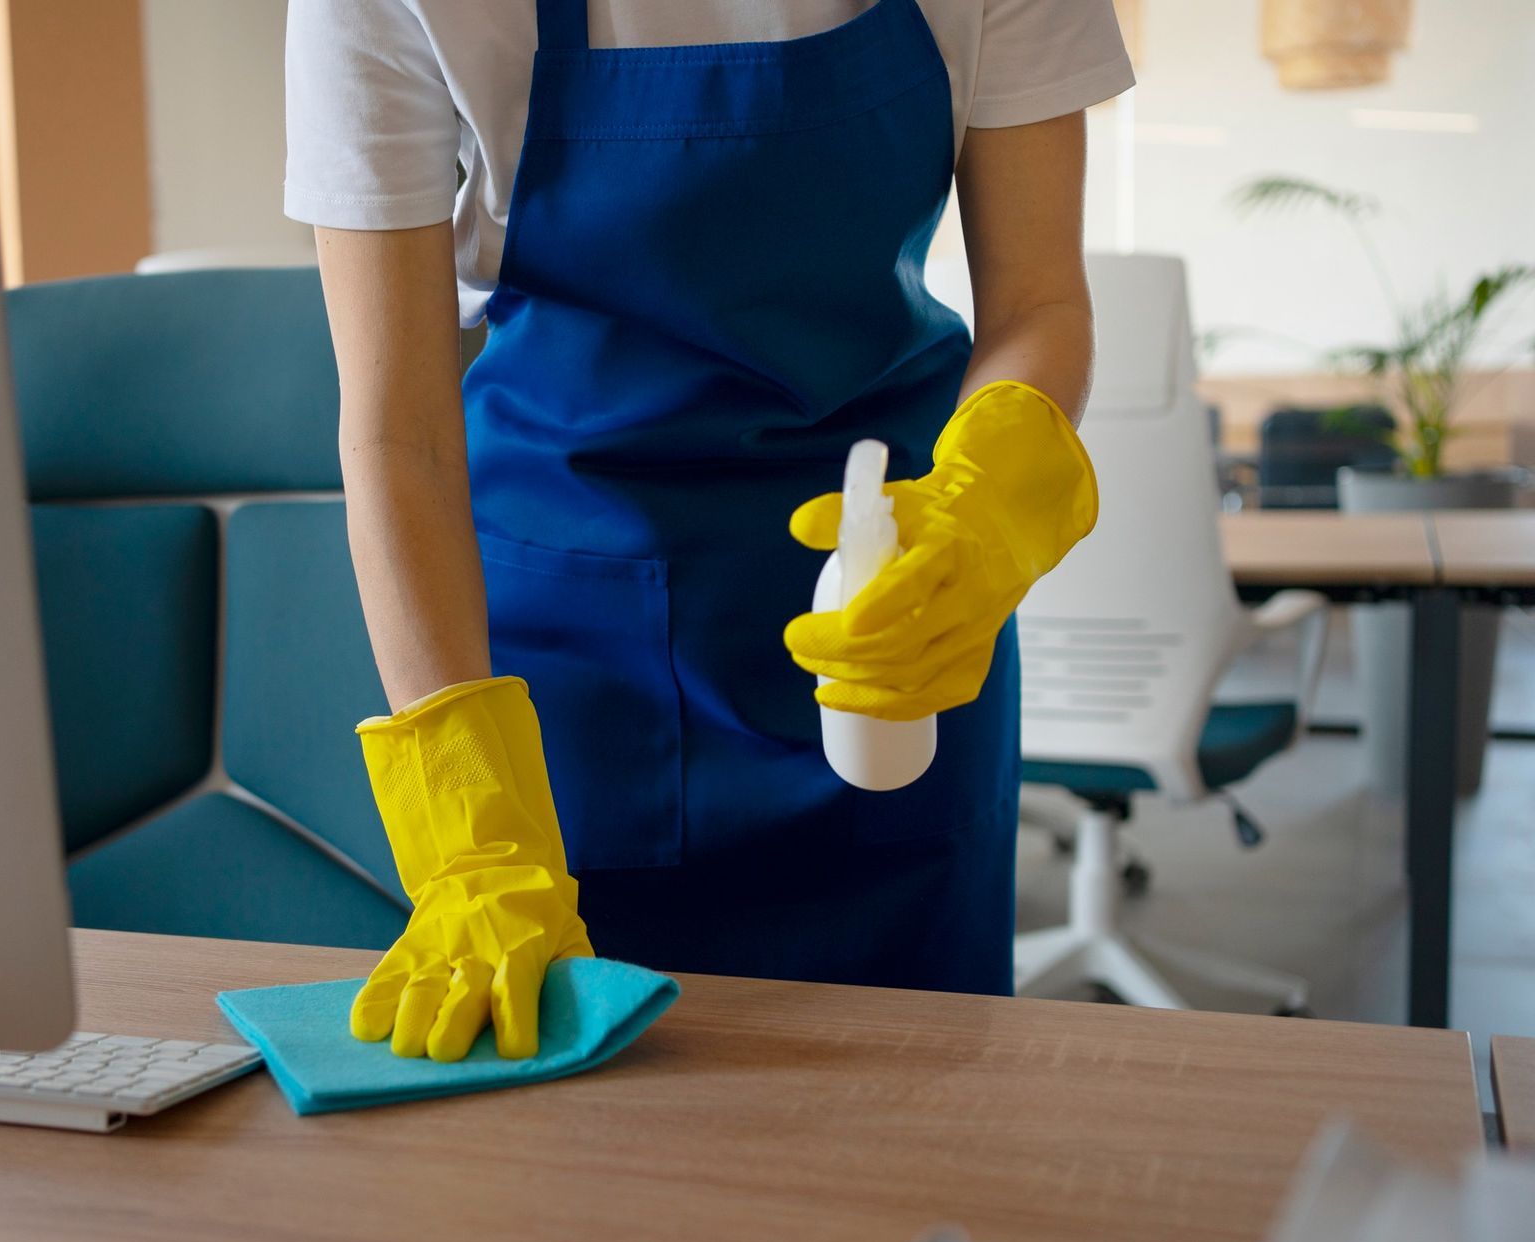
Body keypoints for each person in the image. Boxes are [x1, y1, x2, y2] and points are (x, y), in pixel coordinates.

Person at [286, 0, 1133, 1062]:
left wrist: (988, 503)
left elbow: (1041, 301)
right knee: (572, 1161)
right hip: (564, 687)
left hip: (898, 610)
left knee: (919, 1126)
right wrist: (473, 839)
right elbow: (396, 432)